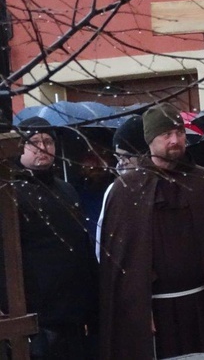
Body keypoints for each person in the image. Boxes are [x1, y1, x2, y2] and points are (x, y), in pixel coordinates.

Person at [98, 103, 204, 359]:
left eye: (179, 133)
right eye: (166, 134)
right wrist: (139, 312)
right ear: (150, 139)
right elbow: (122, 265)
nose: (175, 140)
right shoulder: (126, 190)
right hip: (155, 315)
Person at [0, 117, 98, 359]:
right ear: (20, 147)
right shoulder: (9, 193)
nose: (42, 147)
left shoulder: (67, 189)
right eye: (34, 141)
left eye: (48, 141)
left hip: (74, 316)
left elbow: (81, 245)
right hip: (37, 319)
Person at [95, 115, 149, 261]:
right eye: (118, 158)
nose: (121, 164)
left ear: (143, 154)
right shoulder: (116, 190)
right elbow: (103, 244)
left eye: (126, 157)